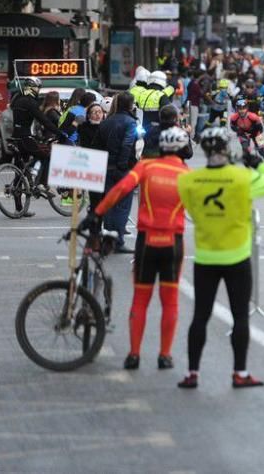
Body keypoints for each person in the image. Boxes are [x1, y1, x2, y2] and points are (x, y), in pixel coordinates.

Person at [176, 127, 264, 389]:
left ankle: (192, 373)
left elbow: (189, 207)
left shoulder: (189, 180)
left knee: (200, 316)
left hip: (206, 256)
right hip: (237, 256)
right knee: (240, 317)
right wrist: (258, 163)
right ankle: (240, 372)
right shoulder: (240, 178)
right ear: (226, 149)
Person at [80, 127, 192, 371]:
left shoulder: (147, 166)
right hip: (173, 243)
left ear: (160, 147)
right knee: (170, 301)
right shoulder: (186, 173)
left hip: (146, 242)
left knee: (141, 299)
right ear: (184, 149)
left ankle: (134, 354)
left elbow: (120, 190)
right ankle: (164, 355)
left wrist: (97, 214)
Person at [97, 92, 140, 253]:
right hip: (122, 169)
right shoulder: (130, 122)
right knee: (122, 206)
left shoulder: (107, 121)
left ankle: (108, 239)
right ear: (130, 105)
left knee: (109, 203)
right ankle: (118, 240)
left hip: (106, 167)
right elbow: (128, 144)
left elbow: (98, 145)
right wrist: (123, 165)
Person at [9, 77, 60, 202]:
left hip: (15, 137)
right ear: (33, 88)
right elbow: (44, 121)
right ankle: (41, 184)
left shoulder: (17, 100)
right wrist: (60, 133)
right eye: (38, 88)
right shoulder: (30, 102)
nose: (38, 90)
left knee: (20, 172)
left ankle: (19, 208)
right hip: (25, 138)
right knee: (46, 154)